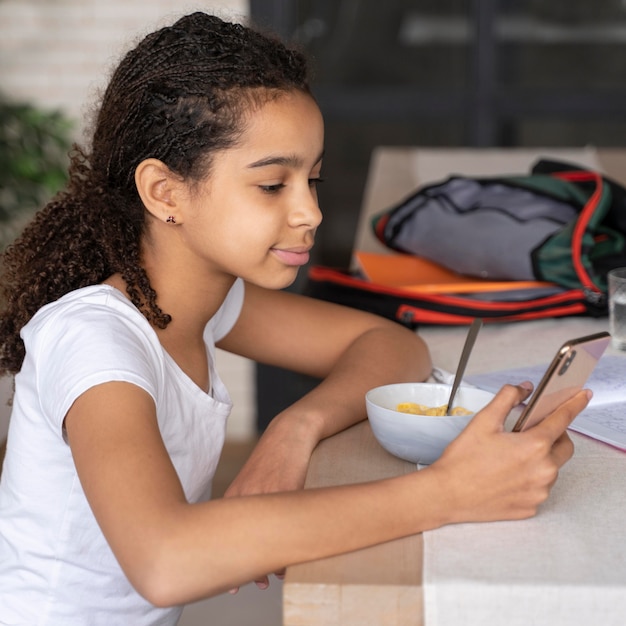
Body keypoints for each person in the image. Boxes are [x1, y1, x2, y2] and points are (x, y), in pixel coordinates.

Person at [0, 11, 590, 626]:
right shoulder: (95, 341)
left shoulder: (202, 299)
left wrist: (295, 427)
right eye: (272, 185)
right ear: (165, 192)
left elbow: (390, 343)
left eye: (312, 178)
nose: (310, 211)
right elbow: (165, 560)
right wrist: (447, 493)